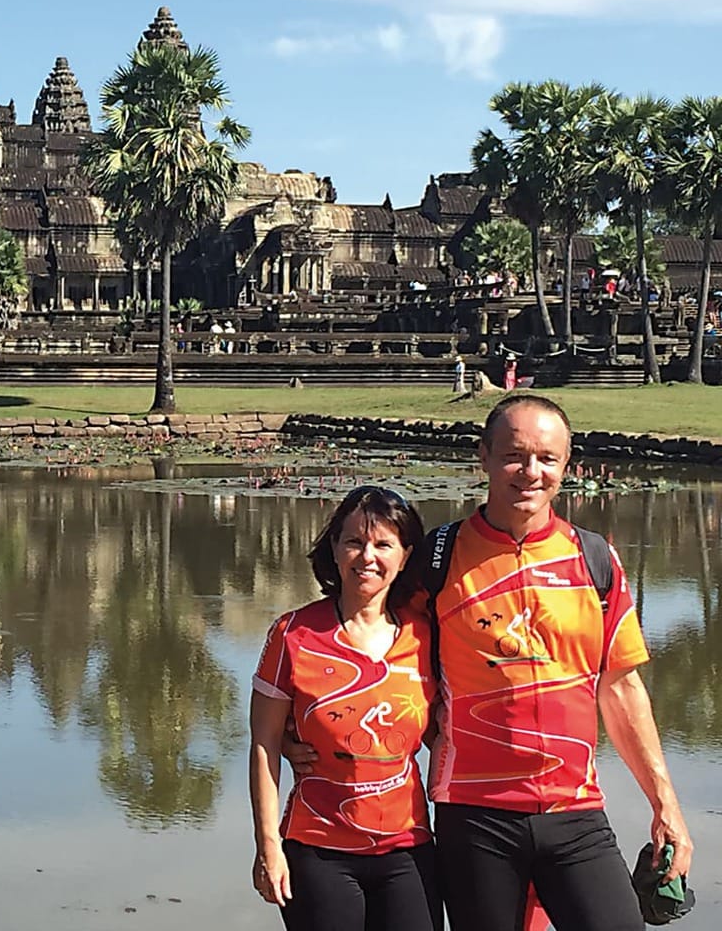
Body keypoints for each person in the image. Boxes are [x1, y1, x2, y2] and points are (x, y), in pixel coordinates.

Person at [285, 394, 693, 931]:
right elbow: (368, 645)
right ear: (484, 457)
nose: (530, 472)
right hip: (474, 814)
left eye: (547, 458)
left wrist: (666, 804)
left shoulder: (595, 560)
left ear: (566, 465)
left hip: (575, 810)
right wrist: (301, 729)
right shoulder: (437, 559)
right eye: (514, 455)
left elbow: (620, 688)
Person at [249, 486, 441, 931]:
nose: (366, 556)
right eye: (353, 541)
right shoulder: (292, 633)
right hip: (318, 850)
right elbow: (263, 743)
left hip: (408, 847)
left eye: (383, 544)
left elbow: (444, 729)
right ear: (334, 547)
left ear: (406, 554)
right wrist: (268, 848)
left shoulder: (429, 635)